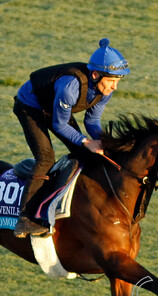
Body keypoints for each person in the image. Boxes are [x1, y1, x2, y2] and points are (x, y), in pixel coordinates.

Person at [12, 38, 129, 238]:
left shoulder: (104, 90)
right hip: (30, 107)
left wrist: (105, 143)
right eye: (111, 80)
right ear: (95, 74)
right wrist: (86, 141)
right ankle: (26, 219)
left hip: (54, 108)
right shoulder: (70, 87)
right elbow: (59, 124)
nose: (114, 87)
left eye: (117, 81)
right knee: (46, 157)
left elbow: (92, 120)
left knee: (86, 154)